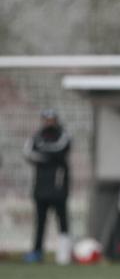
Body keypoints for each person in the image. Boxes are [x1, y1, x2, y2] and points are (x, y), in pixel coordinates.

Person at [22, 109, 72, 264]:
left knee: (62, 220)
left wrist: (44, 153)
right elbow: (28, 153)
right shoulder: (37, 136)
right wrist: (48, 156)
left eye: (51, 119)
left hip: (58, 187)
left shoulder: (63, 135)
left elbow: (60, 150)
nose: (49, 122)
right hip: (40, 188)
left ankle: (64, 254)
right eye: (46, 119)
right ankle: (37, 252)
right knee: (40, 222)